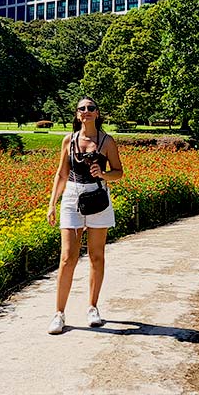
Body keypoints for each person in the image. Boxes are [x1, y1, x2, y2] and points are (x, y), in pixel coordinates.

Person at [45, 97, 124, 334]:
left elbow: (119, 172)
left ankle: (92, 307)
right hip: (72, 197)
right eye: (82, 108)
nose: (86, 111)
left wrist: (103, 174)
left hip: (98, 197)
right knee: (67, 257)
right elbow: (61, 174)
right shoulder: (68, 140)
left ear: (97, 113)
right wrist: (52, 204)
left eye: (91, 108)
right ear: (77, 114)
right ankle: (59, 313)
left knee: (96, 256)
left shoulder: (107, 141)